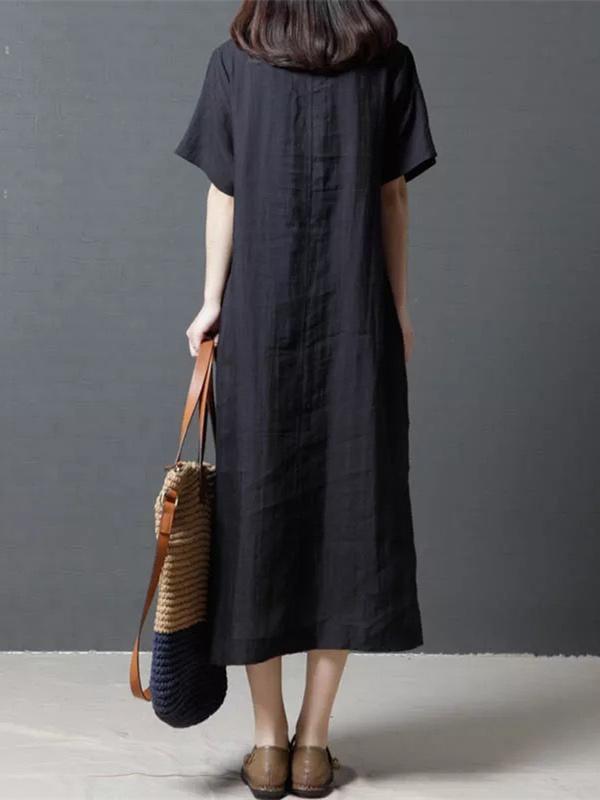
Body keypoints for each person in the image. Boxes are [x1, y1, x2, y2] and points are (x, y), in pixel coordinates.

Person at [174, 0, 437, 796]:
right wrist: (397, 308)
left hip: (261, 324)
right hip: (357, 321)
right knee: (351, 518)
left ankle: (268, 741)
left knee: (256, 516)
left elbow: (225, 193)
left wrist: (211, 301)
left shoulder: (235, 64)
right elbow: (392, 197)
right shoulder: (388, 64)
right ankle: (315, 742)